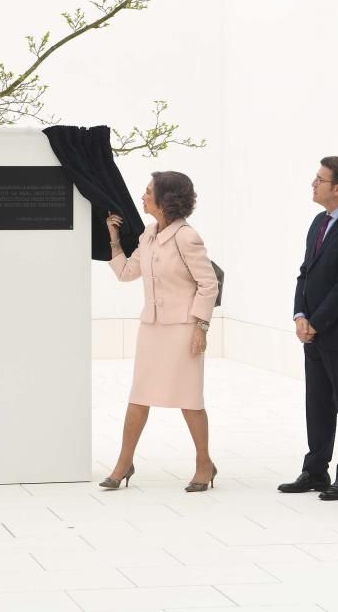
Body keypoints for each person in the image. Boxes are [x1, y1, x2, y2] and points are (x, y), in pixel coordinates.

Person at [102, 171, 219, 492]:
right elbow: (127, 274)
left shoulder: (186, 237)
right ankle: (124, 463)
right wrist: (114, 239)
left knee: (189, 398)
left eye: (149, 191)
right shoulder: (149, 235)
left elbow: (209, 284)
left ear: (166, 199)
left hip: (183, 329)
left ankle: (204, 463)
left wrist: (202, 327)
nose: (143, 196)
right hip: (152, 328)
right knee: (138, 396)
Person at [279, 157, 338, 501]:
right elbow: (305, 272)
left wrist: (317, 322)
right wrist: (300, 314)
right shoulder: (319, 221)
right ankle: (315, 469)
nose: (313, 184)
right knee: (316, 402)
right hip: (312, 330)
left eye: (319, 180)